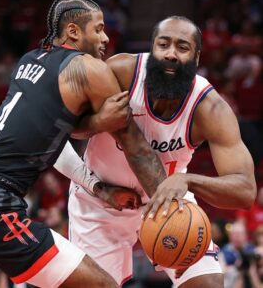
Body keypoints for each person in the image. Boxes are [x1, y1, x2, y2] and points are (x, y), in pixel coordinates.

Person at [0, 0, 169, 288]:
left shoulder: (29, 61)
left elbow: (52, 137)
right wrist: (170, 204)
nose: (106, 37)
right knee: (103, 285)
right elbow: (134, 145)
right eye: (98, 29)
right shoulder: (87, 68)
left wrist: (96, 132)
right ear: (73, 31)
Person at [54, 16, 257, 287]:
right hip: (99, 199)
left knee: (207, 283)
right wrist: (98, 122)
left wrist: (188, 180)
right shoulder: (121, 72)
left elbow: (244, 191)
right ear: (152, 49)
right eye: (163, 45)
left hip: (166, 199)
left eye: (182, 47)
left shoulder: (210, 108)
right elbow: (59, 127)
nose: (171, 54)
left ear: (196, 58)